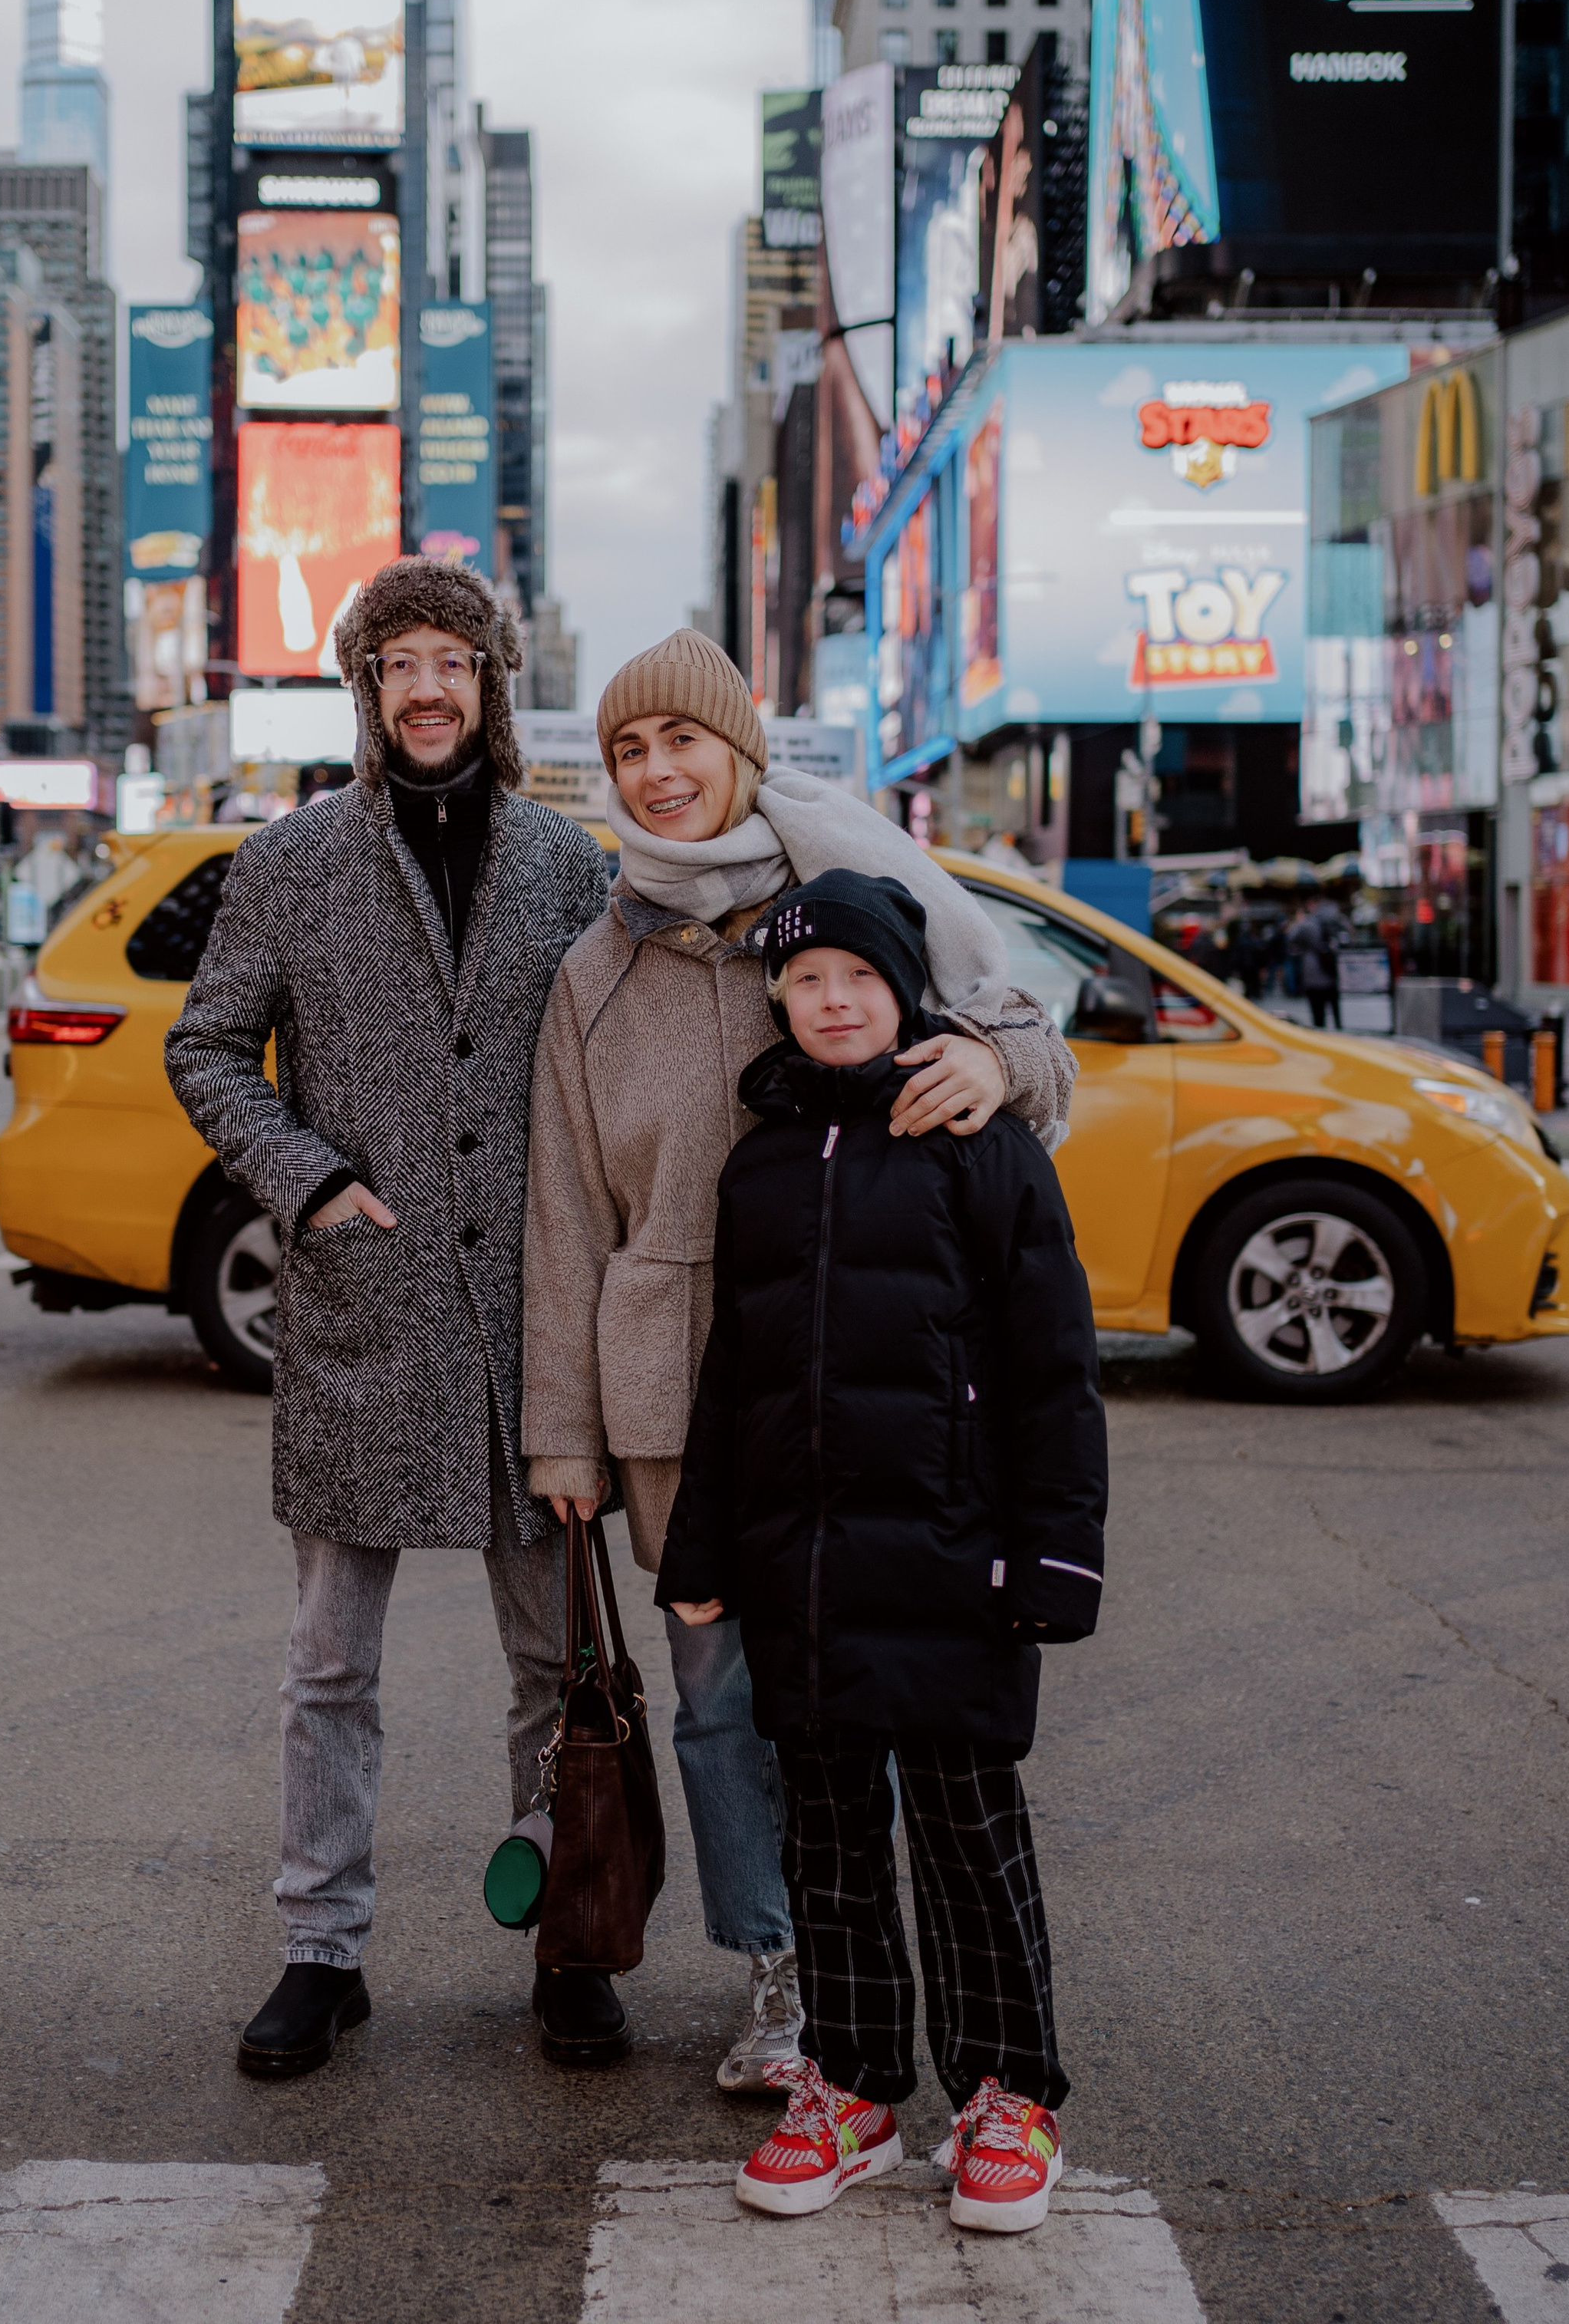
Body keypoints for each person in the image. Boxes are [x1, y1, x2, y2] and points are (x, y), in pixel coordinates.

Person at [522, 628, 1075, 2093]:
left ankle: (915, 2001)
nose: (659, 773)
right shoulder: (596, 966)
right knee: (722, 1703)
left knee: (886, 1698)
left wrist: (999, 1067)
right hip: (669, 1393)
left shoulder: (851, 913)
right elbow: (567, 1212)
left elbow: (1038, 1046)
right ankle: (781, 1972)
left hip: (870, 1374)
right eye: (632, 750)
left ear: (741, 752)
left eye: (683, 743)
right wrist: (564, 1433)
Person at [164, 557, 618, 2079]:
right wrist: (309, 1180)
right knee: (327, 1666)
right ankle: (319, 1949)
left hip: (528, 1322)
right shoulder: (288, 863)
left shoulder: (568, 864)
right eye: (399, 661)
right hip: (362, 1312)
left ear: (490, 684)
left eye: (456, 660)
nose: (428, 686)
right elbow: (209, 1048)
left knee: (554, 1672)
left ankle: (569, 1936)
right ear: (365, 690)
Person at [657, 870, 1106, 2230]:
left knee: (972, 1840)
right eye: (805, 983)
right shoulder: (765, 1162)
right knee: (833, 1844)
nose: (832, 1001)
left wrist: (1058, 1559)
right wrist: (701, 1544)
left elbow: (1053, 1370)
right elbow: (735, 1375)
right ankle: (851, 2086)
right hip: (803, 1567)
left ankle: (1007, 2093)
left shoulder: (984, 1141)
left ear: (904, 987)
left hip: (957, 1563)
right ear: (779, 1003)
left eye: (856, 976)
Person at [1291, 898, 1341, 1028]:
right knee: (1336, 1011)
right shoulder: (1336, 921)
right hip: (1331, 973)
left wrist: (1299, 921)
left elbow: (1292, 937)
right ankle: (1340, 1033)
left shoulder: (1308, 924)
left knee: (1317, 1015)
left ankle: (1320, 1036)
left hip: (1313, 974)